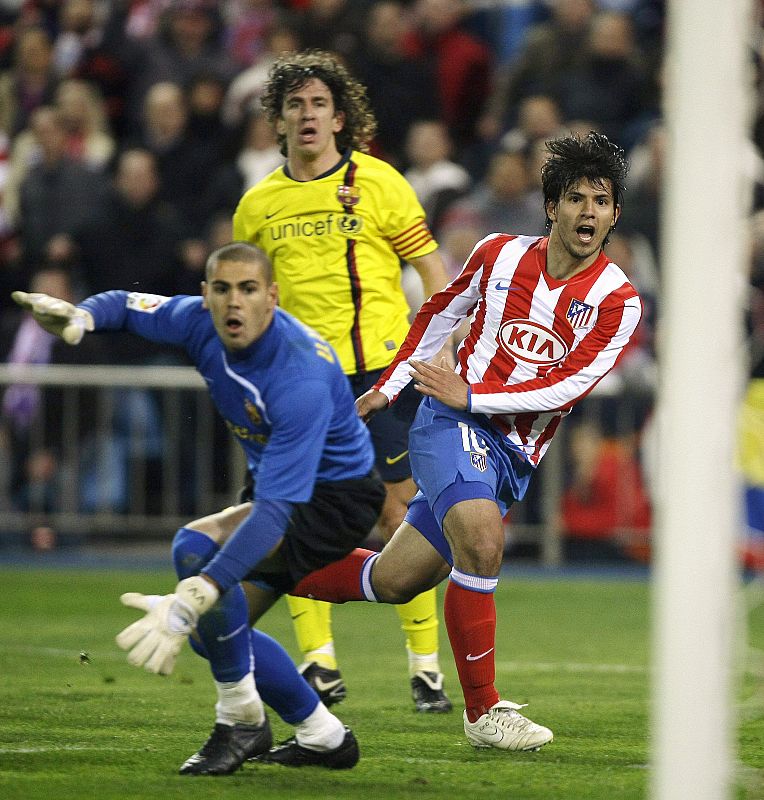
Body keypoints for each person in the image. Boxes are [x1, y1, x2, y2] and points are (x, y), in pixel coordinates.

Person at [289, 131, 643, 752]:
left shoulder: (618, 300)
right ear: (552, 206)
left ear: (614, 214)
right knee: (481, 540)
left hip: (509, 450)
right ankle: (483, 712)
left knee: (394, 580)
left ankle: (260, 565)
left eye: (601, 200)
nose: (588, 211)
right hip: (450, 424)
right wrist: (390, 388)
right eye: (576, 198)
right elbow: (439, 314)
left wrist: (474, 394)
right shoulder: (497, 254)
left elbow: (567, 385)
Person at [12, 241, 386, 775]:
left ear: (272, 297)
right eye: (223, 289)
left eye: (249, 289)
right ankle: (324, 736)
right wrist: (81, 317)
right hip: (277, 488)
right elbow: (126, 305)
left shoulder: (298, 375)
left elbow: (274, 514)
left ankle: (240, 722)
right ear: (206, 295)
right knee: (218, 636)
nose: (235, 302)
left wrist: (199, 591)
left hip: (333, 500)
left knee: (195, 550)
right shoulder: (196, 320)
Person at [232, 49, 453, 713]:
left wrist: (435, 351)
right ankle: (319, 662)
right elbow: (248, 299)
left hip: (379, 372)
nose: (306, 114)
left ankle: (425, 669)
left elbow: (434, 273)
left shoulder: (380, 183)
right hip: (300, 382)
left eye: (318, 103)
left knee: (400, 514)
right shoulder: (258, 205)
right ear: (278, 120)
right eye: (294, 104)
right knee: (294, 514)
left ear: (339, 117)